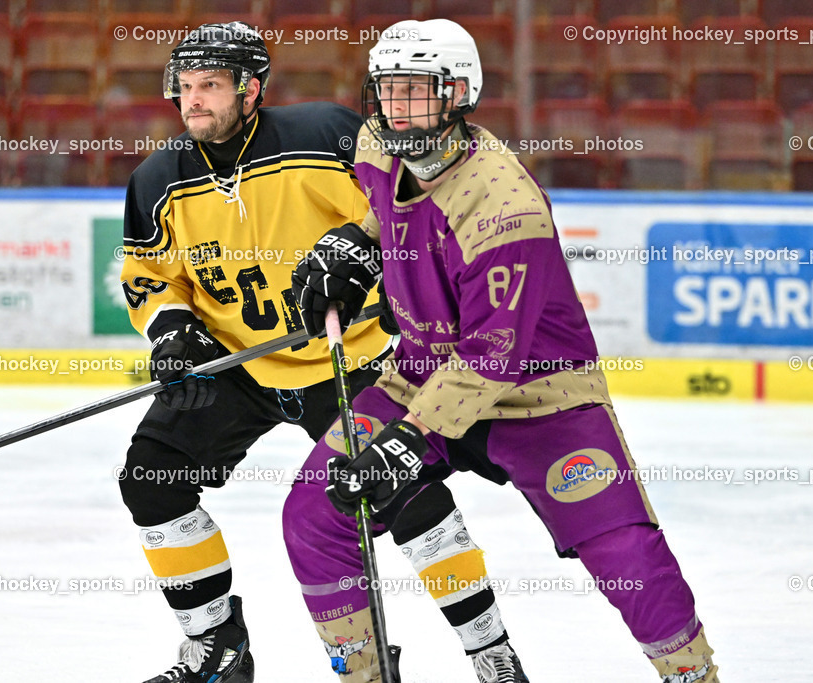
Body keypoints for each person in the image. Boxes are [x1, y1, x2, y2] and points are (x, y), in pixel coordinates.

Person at [287, 18, 719, 683]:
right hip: (420, 378)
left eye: (414, 91)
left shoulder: (503, 204)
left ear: (458, 92)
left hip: (540, 395)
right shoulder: (376, 145)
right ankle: (364, 672)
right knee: (315, 508)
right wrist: (355, 249)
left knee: (624, 554)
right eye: (386, 90)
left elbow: (492, 356)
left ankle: (693, 673)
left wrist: (404, 444)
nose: (395, 108)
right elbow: (386, 211)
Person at [119, 21, 515, 683]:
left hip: (349, 355)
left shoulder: (324, 137)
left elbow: (409, 205)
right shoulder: (158, 179)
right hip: (241, 366)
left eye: (210, 86)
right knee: (151, 477)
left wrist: (397, 275)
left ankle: (491, 651)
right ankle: (218, 646)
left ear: (251, 91)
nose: (193, 101)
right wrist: (171, 331)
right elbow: (150, 274)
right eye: (185, 87)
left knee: (402, 487)